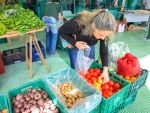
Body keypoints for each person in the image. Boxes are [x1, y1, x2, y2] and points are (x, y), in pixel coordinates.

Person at [59, 9, 116, 83]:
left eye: (105, 36)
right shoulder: (76, 24)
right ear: (93, 26)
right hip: (75, 45)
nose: (102, 38)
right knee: (76, 69)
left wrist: (105, 70)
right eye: (101, 35)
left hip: (90, 45)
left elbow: (104, 51)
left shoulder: (104, 31)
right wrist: (75, 43)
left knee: (89, 66)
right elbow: (61, 31)